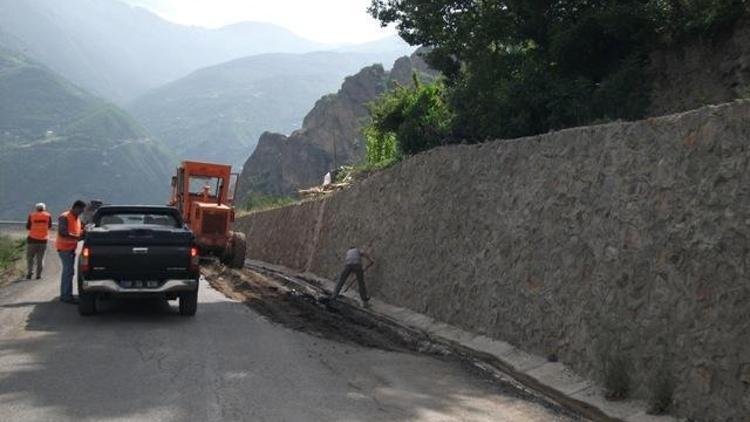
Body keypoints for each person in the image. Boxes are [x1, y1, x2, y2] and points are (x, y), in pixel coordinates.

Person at [56, 200, 86, 304]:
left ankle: (66, 294)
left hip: (70, 248)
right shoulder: (64, 216)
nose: (82, 212)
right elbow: (62, 232)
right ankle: (65, 296)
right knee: (68, 272)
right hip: (64, 248)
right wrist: (77, 237)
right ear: (76, 207)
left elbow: (80, 230)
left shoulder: (77, 218)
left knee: (69, 272)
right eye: (81, 210)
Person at [25, 203, 52, 280]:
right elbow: (49, 226)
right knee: (40, 258)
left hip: (32, 240)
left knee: (30, 258)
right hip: (43, 240)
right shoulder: (48, 216)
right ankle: (38, 275)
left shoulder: (32, 215)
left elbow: (28, 227)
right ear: (44, 208)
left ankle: (30, 273)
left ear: (36, 208)